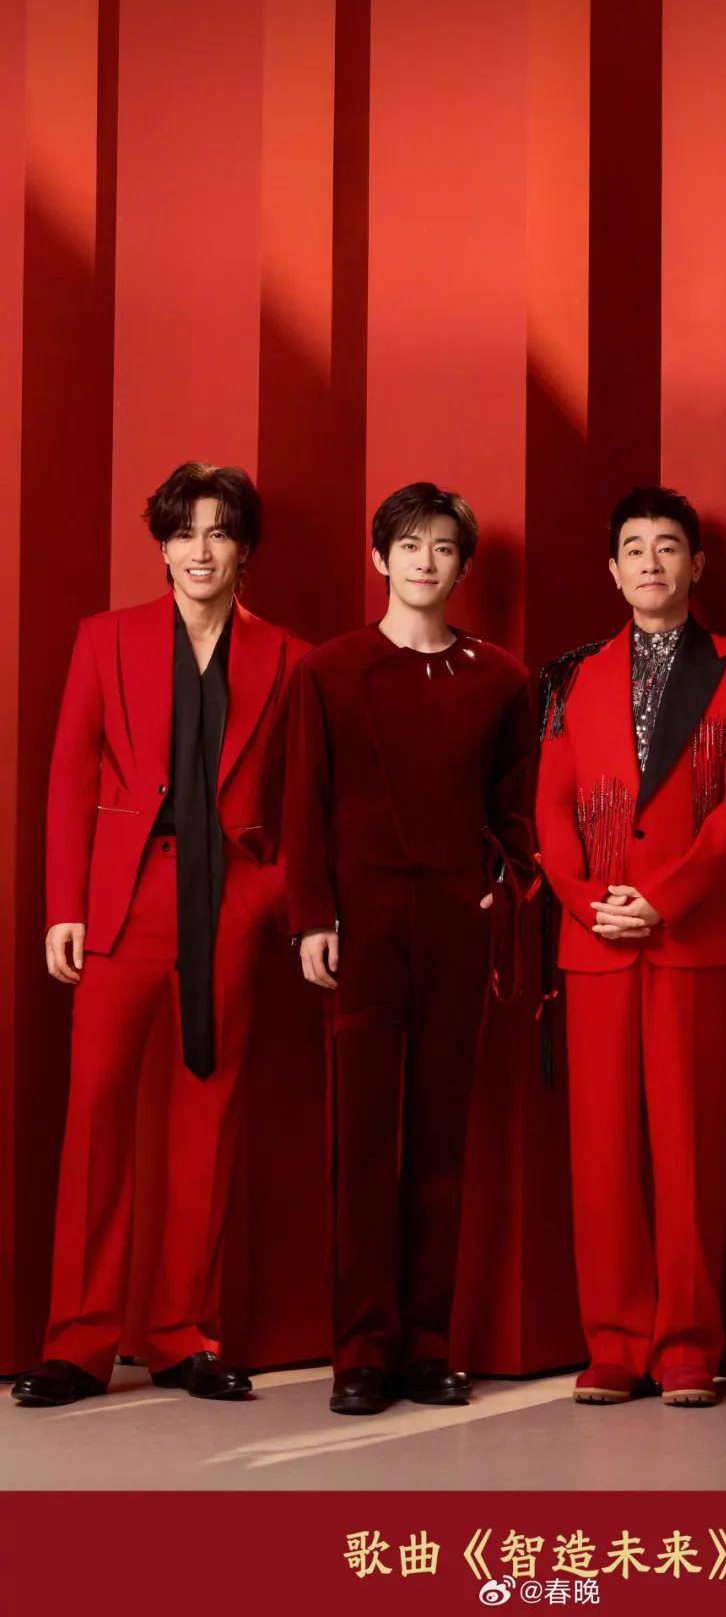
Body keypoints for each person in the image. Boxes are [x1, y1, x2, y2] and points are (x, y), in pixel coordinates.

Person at [14, 463, 308, 1408]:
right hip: (124, 897)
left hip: (228, 900)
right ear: (163, 546)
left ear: (245, 548)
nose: (200, 550)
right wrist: (67, 905)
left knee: (205, 1119)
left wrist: (269, 898)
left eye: (219, 532)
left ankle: (184, 1334)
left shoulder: (288, 658)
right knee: (96, 1118)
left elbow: (305, 797)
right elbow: (70, 775)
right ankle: (78, 1342)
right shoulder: (105, 639)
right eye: (184, 533)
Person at [283, 482, 536, 1416]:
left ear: (463, 567)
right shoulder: (330, 670)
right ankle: (360, 1350)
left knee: (441, 1137)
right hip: (361, 924)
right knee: (361, 1139)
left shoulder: (501, 678)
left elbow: (515, 807)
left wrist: (504, 882)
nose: (426, 562)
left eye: (444, 548)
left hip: (456, 924)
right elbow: (305, 801)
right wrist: (312, 917)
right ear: (380, 558)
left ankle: (429, 1344)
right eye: (410, 545)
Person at [535, 486, 726, 1407]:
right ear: (612, 569)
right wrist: (590, 900)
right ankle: (613, 1342)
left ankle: (686, 1346)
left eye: (667, 546)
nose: (650, 562)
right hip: (596, 935)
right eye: (633, 547)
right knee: (601, 1151)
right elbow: (552, 805)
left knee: (689, 1148)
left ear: (696, 564)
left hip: (696, 936)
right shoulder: (572, 677)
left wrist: (663, 899)